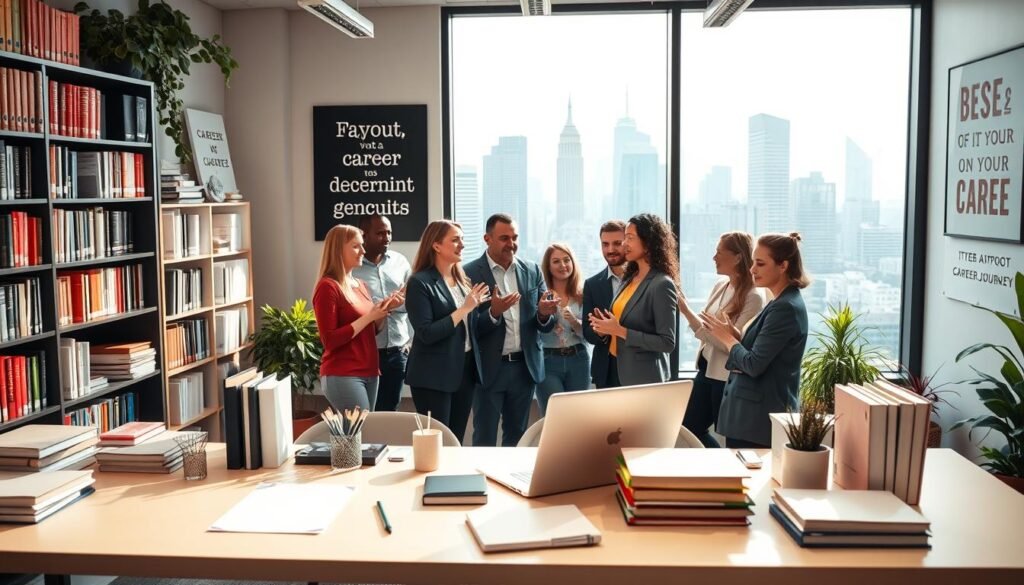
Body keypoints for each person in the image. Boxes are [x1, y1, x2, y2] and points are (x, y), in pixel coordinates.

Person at [706, 232, 810, 448]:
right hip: (750, 419)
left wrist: (729, 340)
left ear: (783, 266)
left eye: (760, 264)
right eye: (753, 262)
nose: (752, 269)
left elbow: (754, 364)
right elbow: (761, 351)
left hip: (756, 421)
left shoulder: (785, 308)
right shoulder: (779, 302)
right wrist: (735, 335)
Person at [465, 213, 559, 447]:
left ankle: (510, 484)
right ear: (487, 238)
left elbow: (542, 323)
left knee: (517, 437)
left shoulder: (532, 270)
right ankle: (483, 483)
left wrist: (545, 313)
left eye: (515, 237)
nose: (512, 243)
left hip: (524, 369)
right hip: (488, 369)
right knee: (484, 436)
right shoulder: (468, 273)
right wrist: (493, 313)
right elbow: (469, 327)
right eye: (504, 238)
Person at [404, 220, 489, 445]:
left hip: (465, 369)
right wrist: (465, 308)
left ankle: (452, 480)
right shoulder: (419, 282)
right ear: (436, 245)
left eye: (462, 239)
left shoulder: (463, 281)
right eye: (455, 239)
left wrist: (494, 313)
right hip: (433, 375)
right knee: (437, 444)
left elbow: (470, 327)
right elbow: (426, 333)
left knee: (456, 440)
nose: (462, 244)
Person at [678, 231, 765, 448]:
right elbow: (711, 331)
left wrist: (687, 311)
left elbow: (733, 344)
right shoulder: (720, 286)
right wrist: (689, 314)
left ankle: (722, 469)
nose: (714, 257)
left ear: (737, 257)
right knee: (689, 427)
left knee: (728, 435)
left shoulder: (753, 296)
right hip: (706, 370)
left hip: (724, 377)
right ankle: (715, 465)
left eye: (719, 252)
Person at [312, 224, 404, 413]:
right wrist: (370, 316)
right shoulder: (328, 287)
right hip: (343, 372)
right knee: (357, 435)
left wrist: (384, 311)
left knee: (363, 435)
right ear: (338, 250)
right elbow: (329, 340)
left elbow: (371, 330)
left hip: (369, 370)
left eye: (362, 245)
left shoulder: (359, 284)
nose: (363, 250)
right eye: (356, 246)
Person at [588, 213, 678, 387]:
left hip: (641, 378)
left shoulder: (661, 284)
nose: (624, 244)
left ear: (648, 242)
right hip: (615, 369)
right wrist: (603, 325)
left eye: (629, 238)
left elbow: (667, 342)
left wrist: (620, 331)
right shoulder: (630, 277)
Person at [352, 214, 413, 412]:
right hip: (366, 352)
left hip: (397, 353)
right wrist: (386, 306)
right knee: (364, 413)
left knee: (389, 411)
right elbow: (352, 310)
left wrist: (410, 342)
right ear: (364, 235)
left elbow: (412, 302)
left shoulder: (400, 262)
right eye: (380, 233)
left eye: (389, 232)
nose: (387, 238)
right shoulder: (352, 267)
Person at [536, 243, 590, 417]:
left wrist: (575, 322)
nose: (563, 265)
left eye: (567, 260)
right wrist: (543, 312)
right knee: (554, 415)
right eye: (556, 261)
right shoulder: (541, 295)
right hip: (548, 361)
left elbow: (589, 334)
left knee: (578, 416)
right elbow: (536, 329)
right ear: (548, 266)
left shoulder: (584, 294)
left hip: (579, 359)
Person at [582, 220, 627, 389]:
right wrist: (600, 331)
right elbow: (587, 332)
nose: (610, 250)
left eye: (617, 243)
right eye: (605, 244)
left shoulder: (644, 281)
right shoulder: (593, 284)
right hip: (606, 370)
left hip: (639, 368)